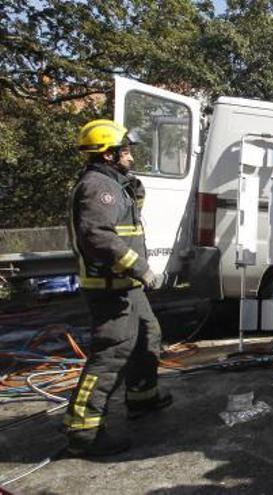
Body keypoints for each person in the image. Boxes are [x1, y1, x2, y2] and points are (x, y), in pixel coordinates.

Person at [64, 119, 172, 457]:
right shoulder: (99, 187)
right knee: (111, 354)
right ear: (108, 154)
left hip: (126, 285)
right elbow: (97, 236)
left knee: (147, 334)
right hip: (111, 288)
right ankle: (84, 430)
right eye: (125, 150)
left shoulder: (114, 182)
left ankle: (142, 397)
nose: (130, 156)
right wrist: (141, 268)